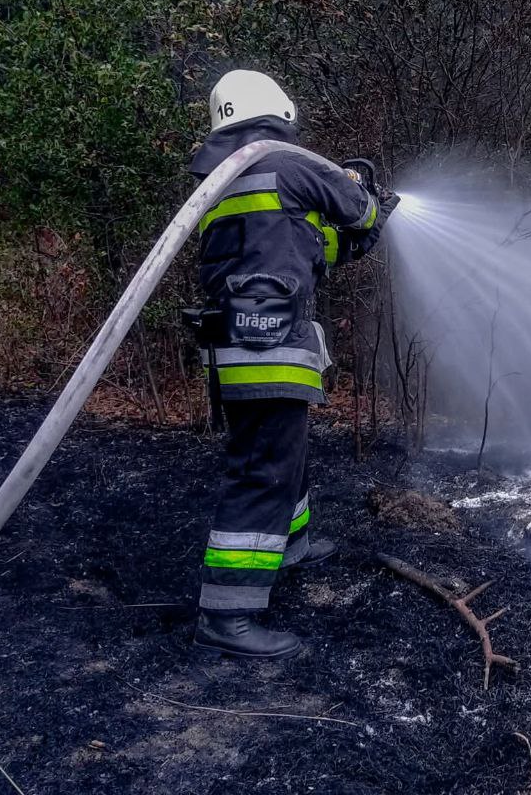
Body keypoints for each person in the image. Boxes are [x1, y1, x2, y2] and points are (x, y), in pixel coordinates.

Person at [186, 70, 398, 658]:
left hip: (237, 345)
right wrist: (369, 196)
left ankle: (290, 547)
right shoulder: (287, 162)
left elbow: (304, 248)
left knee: (285, 456)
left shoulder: (222, 181)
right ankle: (226, 614)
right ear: (280, 111)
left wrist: (344, 236)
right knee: (263, 470)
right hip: (269, 346)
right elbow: (359, 212)